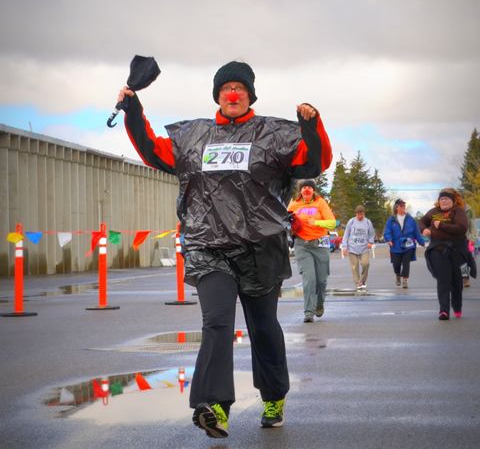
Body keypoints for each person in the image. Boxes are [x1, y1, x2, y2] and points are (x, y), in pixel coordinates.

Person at [118, 61, 332, 438]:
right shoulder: (193, 136)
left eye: (240, 88)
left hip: (261, 247)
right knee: (216, 324)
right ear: (217, 95)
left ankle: (274, 396)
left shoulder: (274, 133)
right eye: (226, 88)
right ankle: (214, 406)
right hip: (208, 246)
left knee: (263, 327)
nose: (232, 94)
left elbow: (315, 161)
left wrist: (312, 125)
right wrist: (133, 110)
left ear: (250, 94)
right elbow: (153, 150)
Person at [419, 188, 474, 320]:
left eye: (446, 199)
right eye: (441, 199)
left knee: (457, 281)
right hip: (439, 250)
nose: (443, 201)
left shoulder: (458, 212)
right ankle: (443, 310)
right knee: (443, 280)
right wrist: (424, 229)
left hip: (457, 250)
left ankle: (457, 307)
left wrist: (441, 226)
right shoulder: (433, 212)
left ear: (453, 201)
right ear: (438, 202)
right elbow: (421, 222)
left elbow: (462, 228)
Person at [287, 180, 336, 322]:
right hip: (302, 245)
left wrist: (316, 222)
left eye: (309, 187)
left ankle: (319, 304)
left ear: (313, 190)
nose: (307, 190)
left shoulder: (320, 202)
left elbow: (332, 223)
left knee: (321, 280)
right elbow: (285, 219)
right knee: (309, 279)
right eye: (304, 188)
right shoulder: (294, 203)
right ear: (300, 190)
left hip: (320, 243)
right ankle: (308, 312)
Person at [383, 198, 425, 289]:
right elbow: (387, 231)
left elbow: (416, 232)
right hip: (395, 245)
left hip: (408, 245)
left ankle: (405, 280)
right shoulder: (391, 219)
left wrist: (421, 242)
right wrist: (389, 239)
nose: (403, 208)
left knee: (406, 263)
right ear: (396, 207)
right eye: (401, 206)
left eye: (404, 206)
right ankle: (398, 275)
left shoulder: (410, 219)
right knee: (396, 264)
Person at [342, 205, 375, 291]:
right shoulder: (351, 222)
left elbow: (371, 234)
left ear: (364, 214)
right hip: (352, 248)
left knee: (365, 263)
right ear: (356, 214)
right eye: (358, 214)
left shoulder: (368, 222)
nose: (360, 216)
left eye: (361, 214)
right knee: (355, 266)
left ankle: (363, 281)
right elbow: (346, 234)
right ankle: (358, 283)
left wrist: (370, 242)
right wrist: (344, 246)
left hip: (364, 248)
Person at [463, 202, 478, 287]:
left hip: (465, 239)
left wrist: (472, 238)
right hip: (452, 238)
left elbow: (472, 225)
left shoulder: (468, 209)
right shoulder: (450, 208)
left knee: (464, 260)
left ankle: (465, 278)